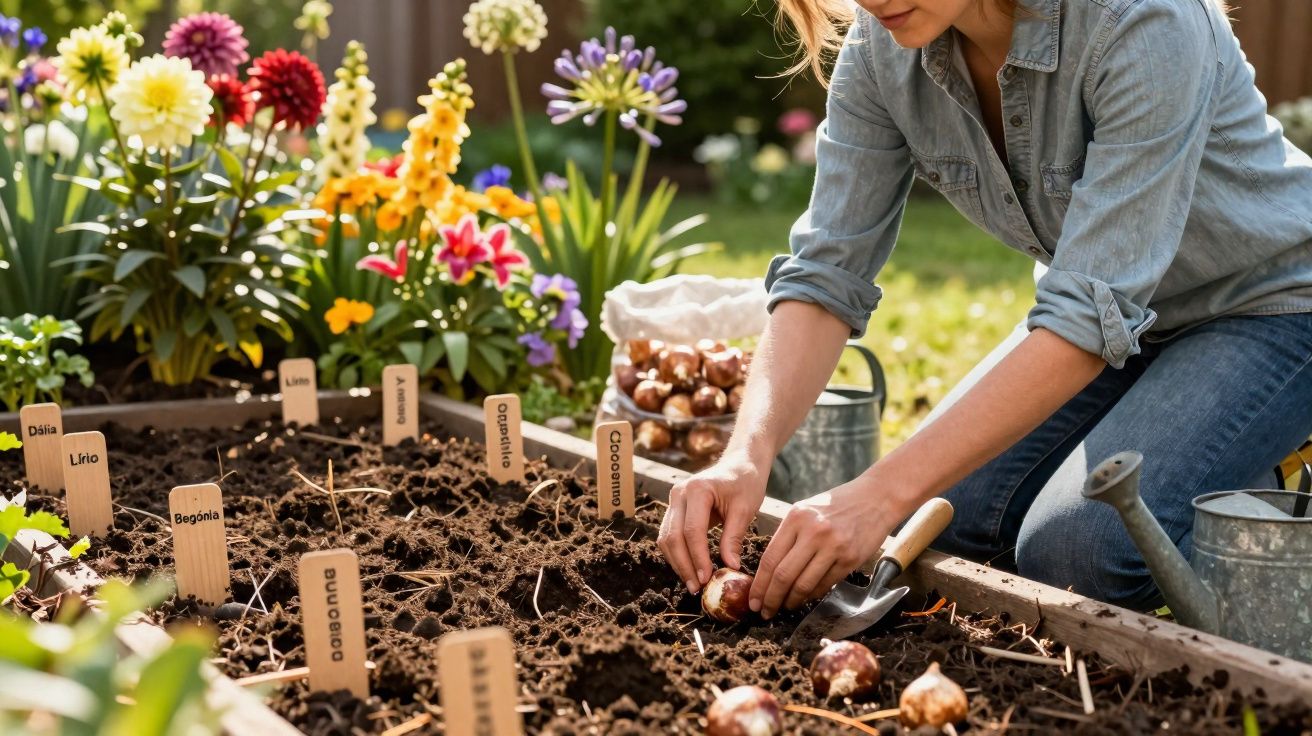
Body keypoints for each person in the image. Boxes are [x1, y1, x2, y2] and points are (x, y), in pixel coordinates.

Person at [658, 0, 1312, 620]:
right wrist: (746, 452)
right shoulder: (882, 44)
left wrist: (878, 494)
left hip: (1271, 306)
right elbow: (827, 272)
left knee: (1076, 554)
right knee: (948, 519)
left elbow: (1085, 316)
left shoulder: (1142, 21)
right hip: (1120, 325)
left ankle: (1268, 485)